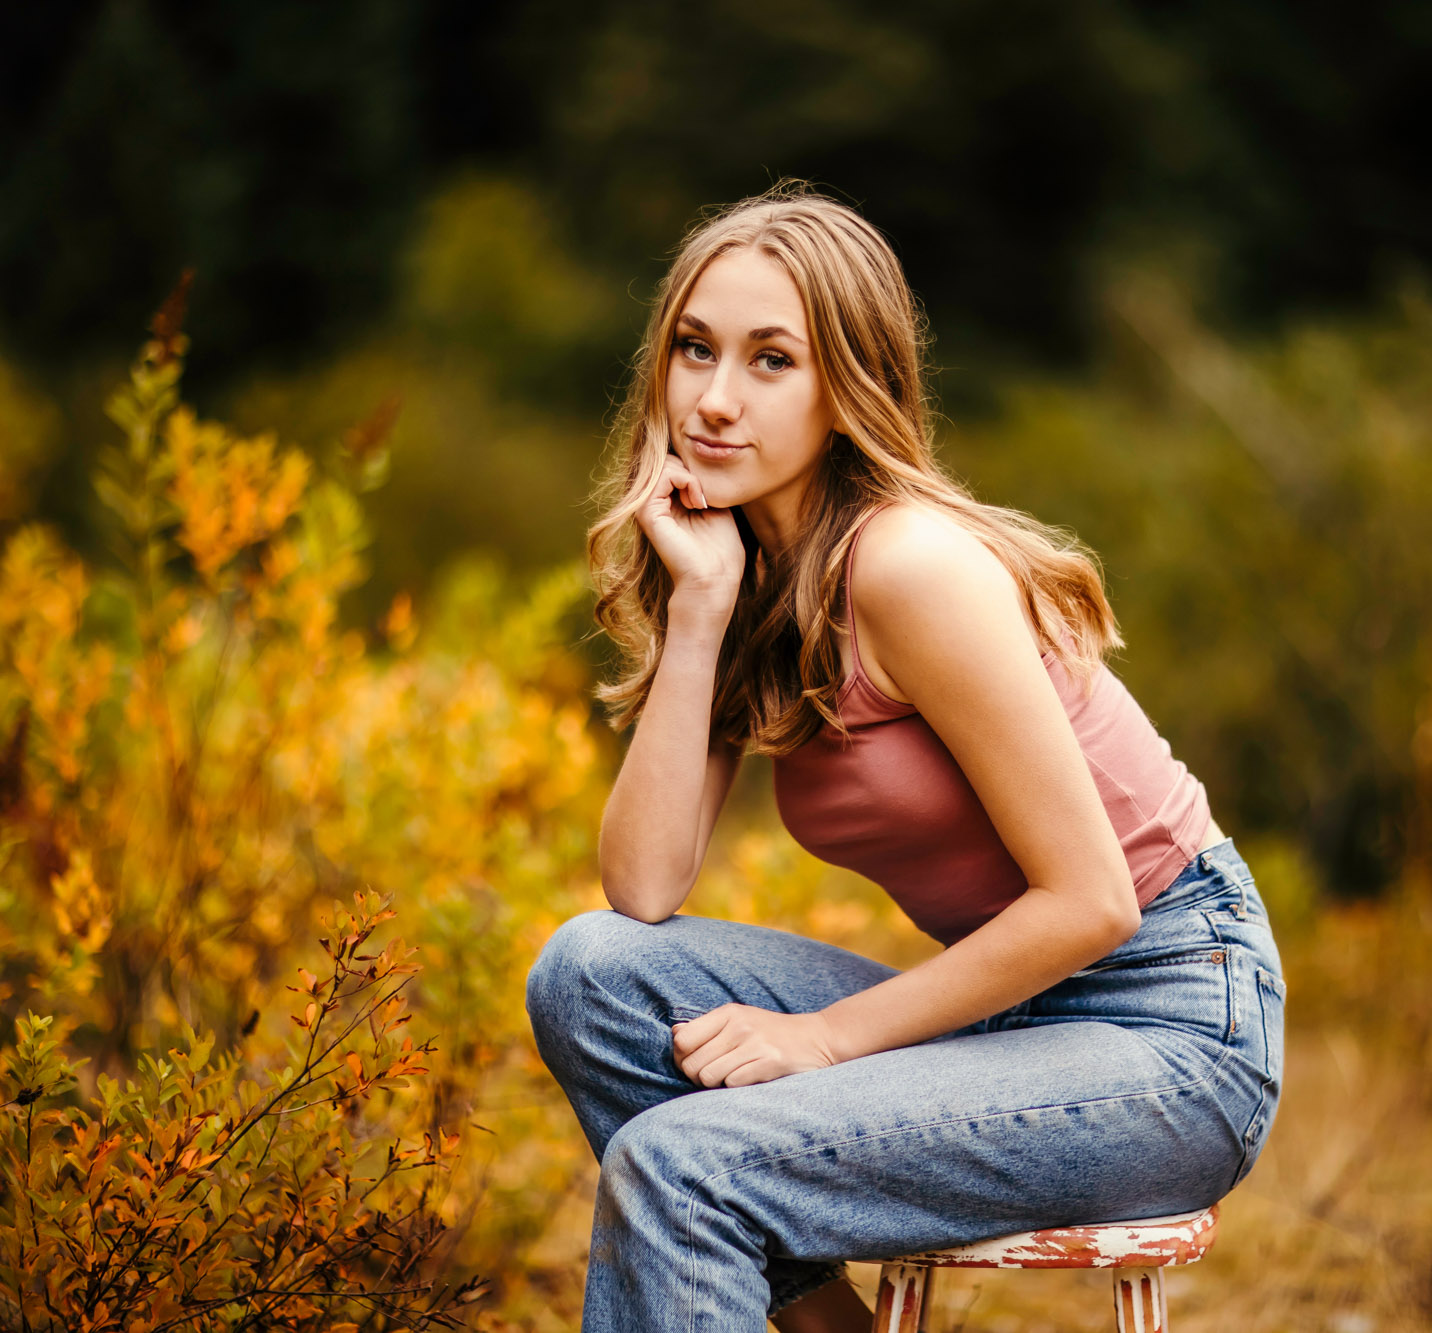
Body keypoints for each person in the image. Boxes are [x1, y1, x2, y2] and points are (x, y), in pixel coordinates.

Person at [525, 180, 1285, 1333]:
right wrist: (701, 609)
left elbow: (1091, 903)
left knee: (682, 1163)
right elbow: (640, 891)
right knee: (588, 975)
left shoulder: (906, 567)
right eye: (693, 350)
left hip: (1169, 1031)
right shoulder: (747, 573)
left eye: (770, 361)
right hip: (1013, 1015)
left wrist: (817, 1040)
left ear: (846, 388)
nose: (714, 401)